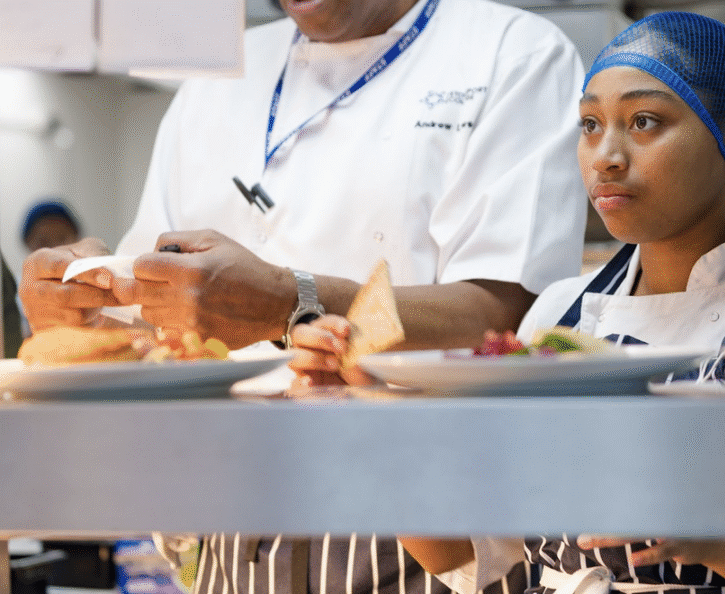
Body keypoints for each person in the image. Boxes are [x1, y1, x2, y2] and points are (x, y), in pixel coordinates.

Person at [290, 11, 725, 594]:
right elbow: (469, 556)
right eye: (589, 125)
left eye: (644, 122)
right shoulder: (557, 318)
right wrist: (368, 415)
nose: (605, 157)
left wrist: (708, 539)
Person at [17, 0, 588, 592]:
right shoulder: (219, 77)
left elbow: (504, 314)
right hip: (229, 514)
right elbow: (152, 325)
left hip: (421, 514)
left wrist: (292, 301)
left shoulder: (512, 52)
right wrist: (80, 315)